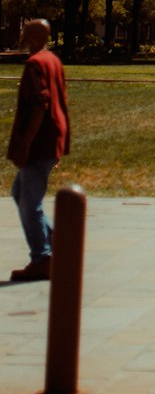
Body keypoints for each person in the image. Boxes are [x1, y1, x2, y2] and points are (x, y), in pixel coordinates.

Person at [7, 19, 71, 283]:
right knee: (19, 192)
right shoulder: (53, 60)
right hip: (53, 137)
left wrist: (25, 145)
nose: (21, 33)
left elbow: (40, 103)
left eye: (25, 31)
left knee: (29, 202)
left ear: (32, 36)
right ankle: (57, 244)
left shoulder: (35, 64)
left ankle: (42, 258)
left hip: (40, 142)